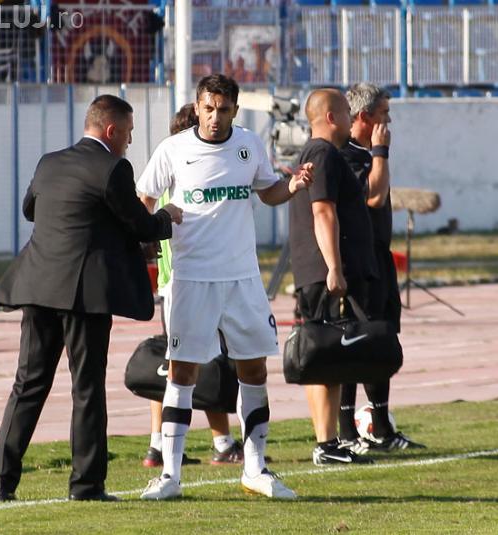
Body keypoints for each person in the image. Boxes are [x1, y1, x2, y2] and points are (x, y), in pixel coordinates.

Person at [0, 95, 183, 503]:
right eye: (128, 133)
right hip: (83, 294)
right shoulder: (113, 168)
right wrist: (168, 216)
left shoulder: (49, 162)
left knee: (28, 384)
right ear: (112, 130)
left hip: (37, 286)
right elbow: (140, 223)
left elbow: (31, 210)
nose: (129, 141)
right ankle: (86, 484)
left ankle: (2, 480)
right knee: (87, 387)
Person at [136, 74, 313, 500]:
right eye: (208, 108)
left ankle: (255, 469)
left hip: (242, 279)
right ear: (197, 107)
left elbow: (268, 191)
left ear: (235, 110)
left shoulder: (249, 145)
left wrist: (292, 186)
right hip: (191, 279)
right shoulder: (173, 149)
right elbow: (144, 201)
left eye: (223, 109)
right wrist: (148, 240)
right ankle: (170, 477)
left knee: (254, 370)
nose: (215, 117)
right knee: (182, 373)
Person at [143, 103, 245, 469]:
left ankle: (158, 443)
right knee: (204, 363)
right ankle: (222, 441)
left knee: (175, 363)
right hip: (189, 283)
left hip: (171, 283)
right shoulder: (185, 178)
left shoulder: (169, 174)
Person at [288, 88, 378, 466]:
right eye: (344, 112)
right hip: (324, 274)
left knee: (332, 356)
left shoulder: (321, 154)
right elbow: (323, 212)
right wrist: (335, 268)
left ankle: (330, 442)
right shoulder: (322, 153)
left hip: (324, 271)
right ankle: (326, 443)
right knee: (323, 355)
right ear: (330, 117)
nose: (350, 118)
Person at [338, 83, 425, 452]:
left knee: (382, 340)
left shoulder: (368, 154)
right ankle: (345, 431)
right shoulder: (346, 156)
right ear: (364, 117)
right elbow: (373, 196)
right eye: (384, 114)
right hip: (357, 262)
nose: (389, 121)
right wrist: (381, 152)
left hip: (380, 259)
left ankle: (382, 428)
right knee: (353, 342)